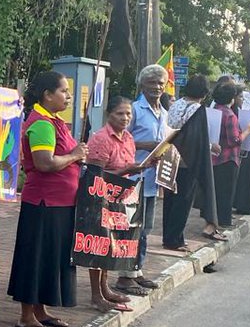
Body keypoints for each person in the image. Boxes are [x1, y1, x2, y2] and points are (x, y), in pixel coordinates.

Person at [7, 70, 88, 327]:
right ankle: (26, 316)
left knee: (49, 259)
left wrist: (77, 156)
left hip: (60, 203)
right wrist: (75, 156)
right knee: (36, 258)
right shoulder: (41, 123)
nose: (68, 96)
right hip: (44, 203)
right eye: (64, 91)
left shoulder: (54, 121)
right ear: (47, 94)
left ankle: (40, 311)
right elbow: (45, 163)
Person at [84, 95, 151, 313]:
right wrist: (127, 170)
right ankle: (96, 294)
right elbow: (96, 175)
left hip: (121, 200)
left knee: (111, 245)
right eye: (119, 113)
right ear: (108, 114)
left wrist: (141, 166)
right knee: (98, 244)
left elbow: (127, 166)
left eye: (128, 114)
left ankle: (105, 287)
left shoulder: (129, 138)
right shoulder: (101, 138)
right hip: (100, 199)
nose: (124, 118)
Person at [113, 64, 168, 297]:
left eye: (160, 83)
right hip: (133, 177)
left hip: (153, 179)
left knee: (145, 228)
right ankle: (125, 276)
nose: (157, 86)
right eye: (152, 82)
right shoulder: (134, 109)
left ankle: (137, 270)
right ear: (142, 84)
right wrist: (145, 145)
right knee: (130, 228)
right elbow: (120, 139)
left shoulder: (163, 112)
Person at [161, 74, 211, 252]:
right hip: (187, 161)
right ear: (204, 93)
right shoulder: (198, 110)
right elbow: (198, 139)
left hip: (169, 156)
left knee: (169, 198)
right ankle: (175, 240)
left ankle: (169, 236)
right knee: (183, 200)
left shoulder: (176, 105)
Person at [209, 82, 250, 230]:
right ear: (231, 98)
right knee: (226, 191)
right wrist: (249, 130)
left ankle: (214, 218)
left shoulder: (214, 110)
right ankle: (224, 220)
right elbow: (235, 140)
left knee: (216, 190)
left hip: (214, 157)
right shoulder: (229, 115)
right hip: (228, 158)